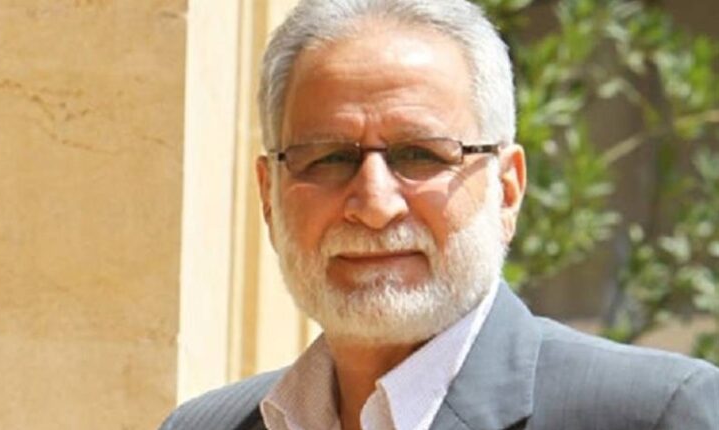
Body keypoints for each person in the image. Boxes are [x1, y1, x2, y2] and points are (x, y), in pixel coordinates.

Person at [160, 0, 719, 429]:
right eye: (329, 158)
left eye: (420, 155)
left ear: (507, 189)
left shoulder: (653, 415)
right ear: (268, 195)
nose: (374, 205)